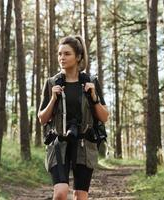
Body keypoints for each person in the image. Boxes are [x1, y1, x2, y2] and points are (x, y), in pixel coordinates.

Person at [38, 35, 109, 200]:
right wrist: (53, 99)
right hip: (59, 144)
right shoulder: (51, 83)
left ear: (78, 57)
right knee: (61, 193)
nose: (62, 57)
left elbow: (104, 117)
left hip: (84, 144)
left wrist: (94, 97)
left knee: (80, 196)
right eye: (60, 54)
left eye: (67, 54)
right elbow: (42, 119)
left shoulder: (90, 82)